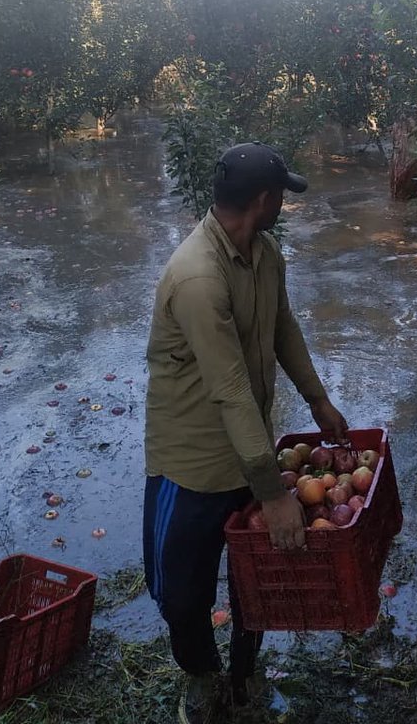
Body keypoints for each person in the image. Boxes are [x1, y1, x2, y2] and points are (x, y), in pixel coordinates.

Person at [143, 141, 348, 724]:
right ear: (264, 200)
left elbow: (283, 328)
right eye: (282, 194)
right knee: (182, 594)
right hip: (194, 460)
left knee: (256, 579)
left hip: (252, 443)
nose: (284, 203)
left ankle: (244, 676)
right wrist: (275, 493)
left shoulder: (265, 253)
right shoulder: (198, 278)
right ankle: (202, 678)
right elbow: (229, 389)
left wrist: (319, 400)